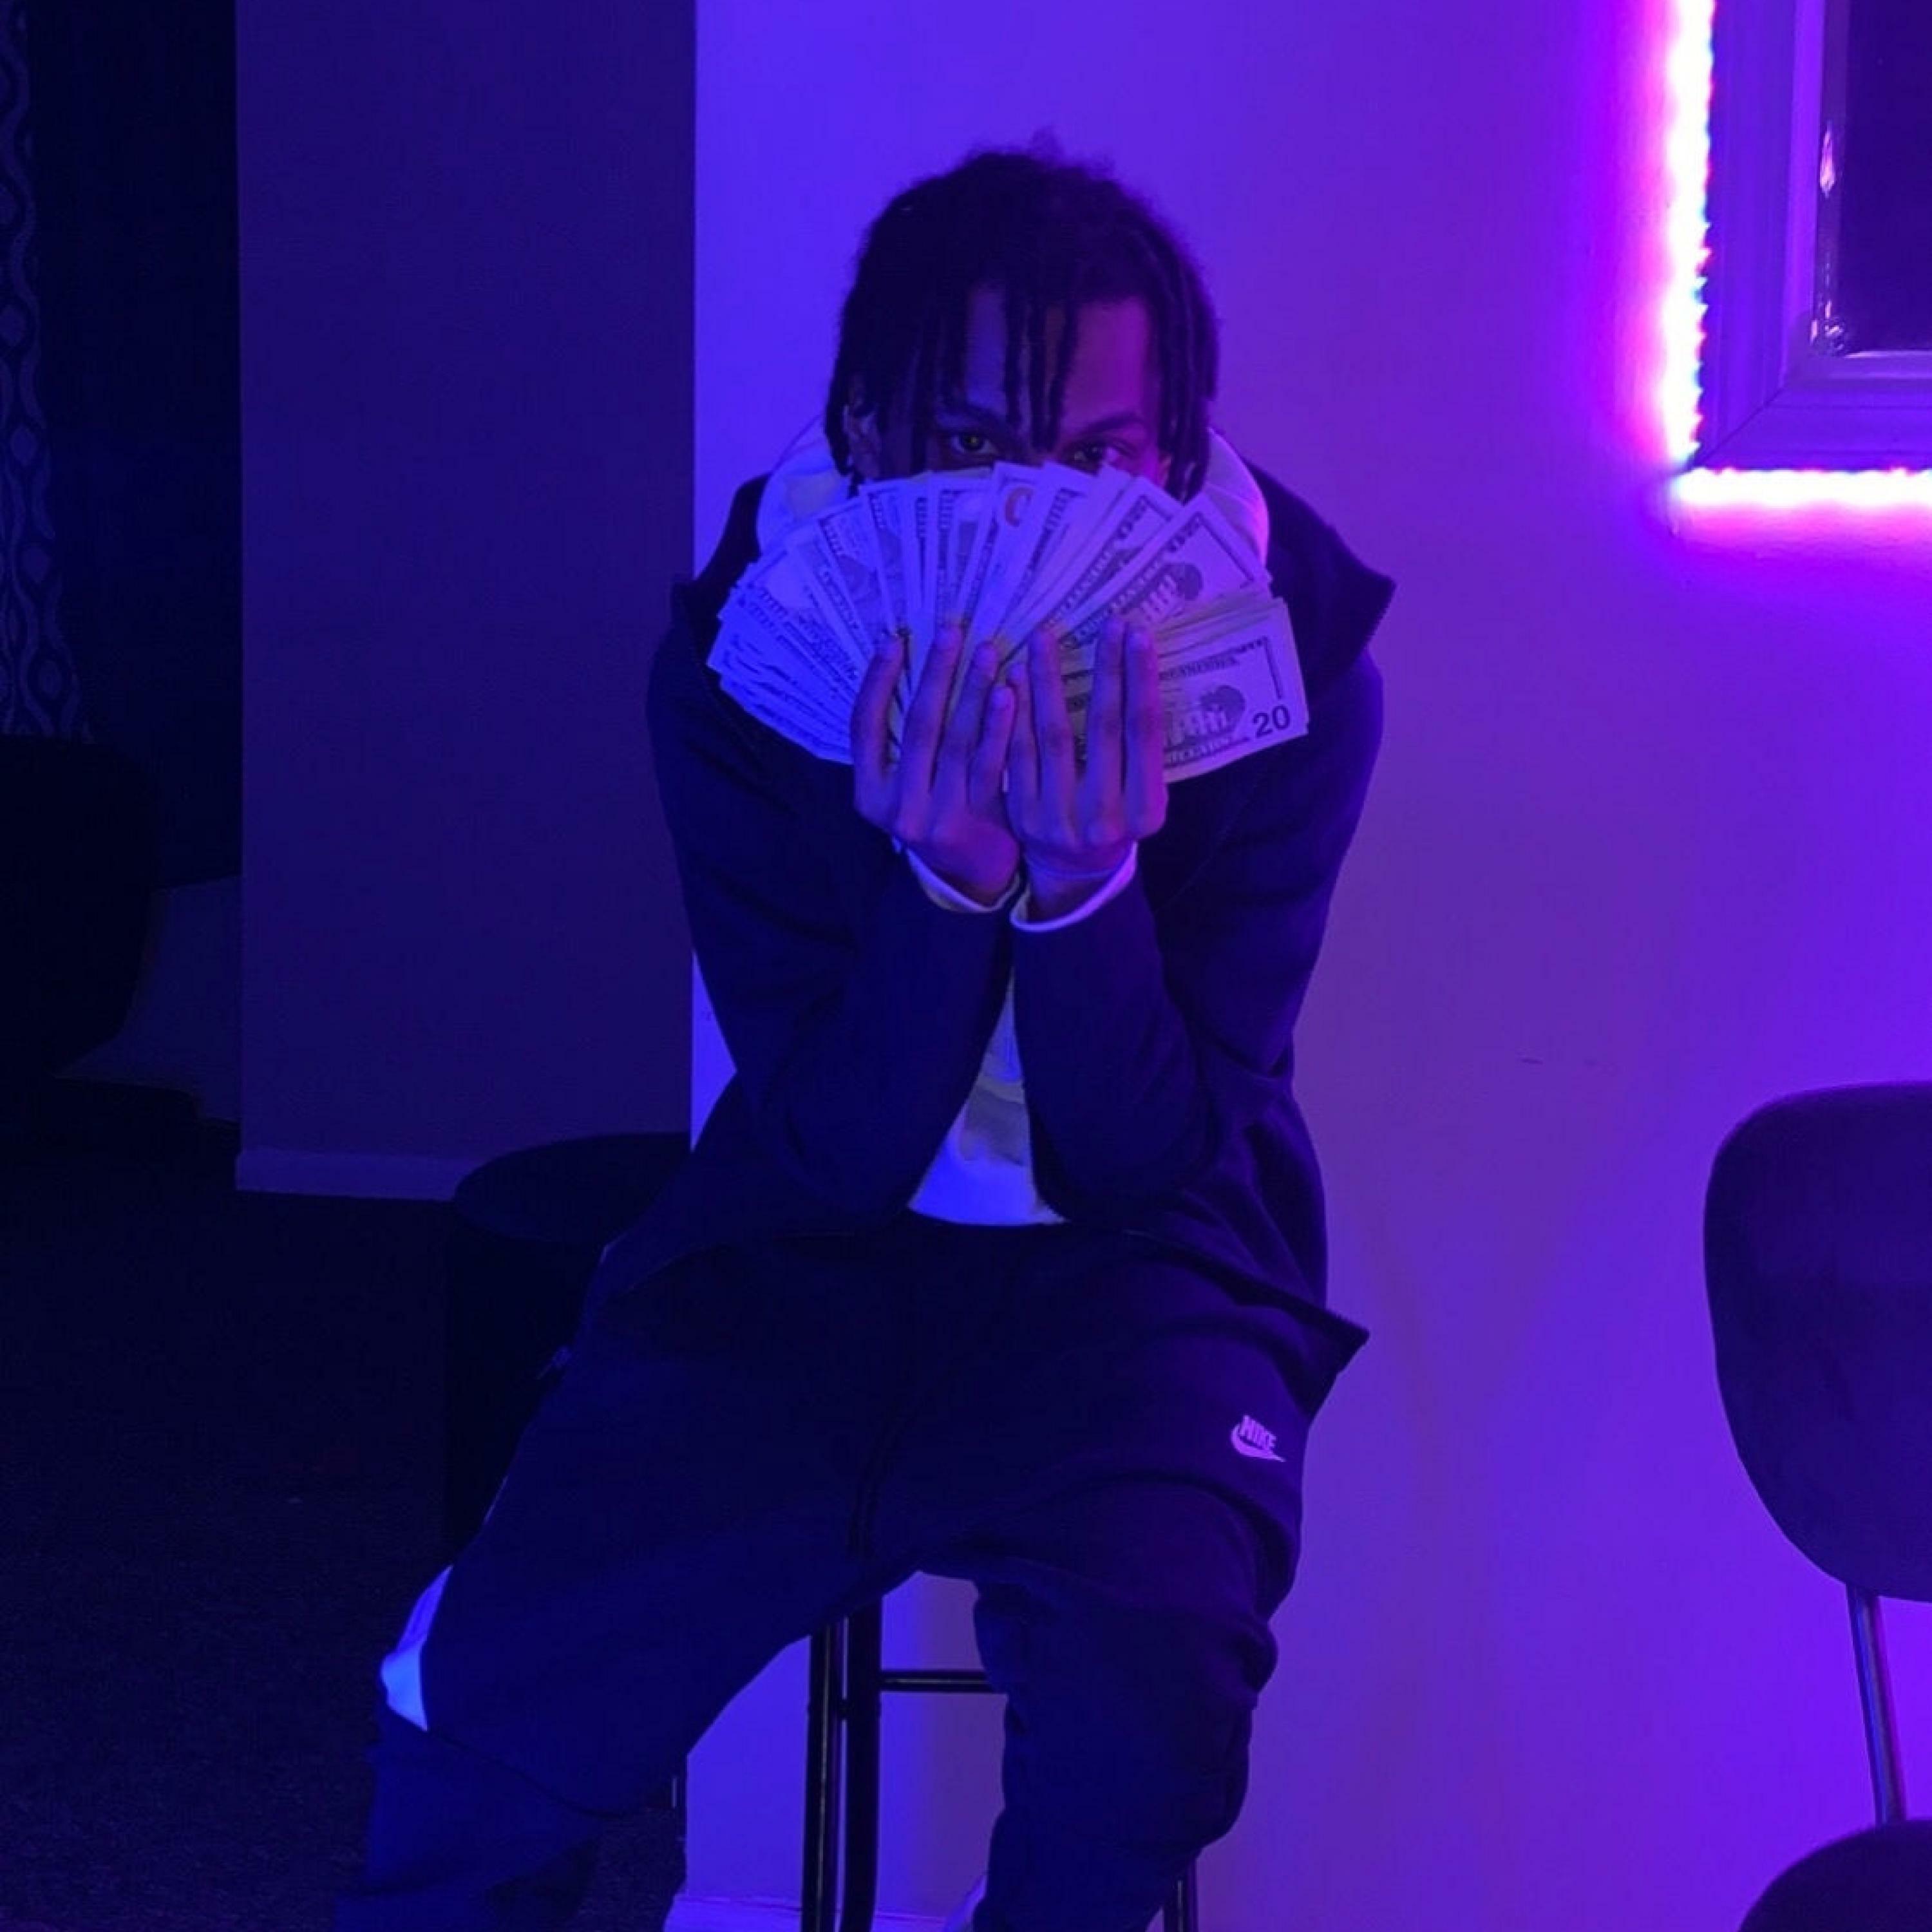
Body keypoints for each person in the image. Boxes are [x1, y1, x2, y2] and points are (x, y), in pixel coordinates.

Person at [336, 142, 1393, 1932]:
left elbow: (1147, 1153)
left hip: (1152, 1261)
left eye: (1101, 457)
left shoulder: (1290, 671)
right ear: (872, 431)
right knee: (493, 1698)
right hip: (809, 1236)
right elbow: (828, 1139)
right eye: (973, 445)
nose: (1035, 511)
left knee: (1147, 1723)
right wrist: (947, 886)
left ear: (1177, 448)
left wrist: (1086, 894)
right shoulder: (743, 669)